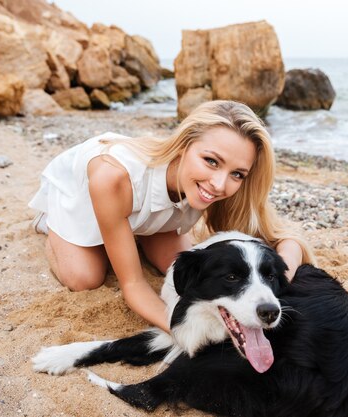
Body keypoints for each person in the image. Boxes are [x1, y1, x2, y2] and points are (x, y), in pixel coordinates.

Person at [29, 100, 314, 333]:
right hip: (82, 197)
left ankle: (131, 231)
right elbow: (133, 284)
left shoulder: (220, 187)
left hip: (154, 212)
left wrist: (276, 285)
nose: (218, 184)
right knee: (85, 277)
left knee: (183, 271)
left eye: (237, 173)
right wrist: (182, 329)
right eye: (211, 161)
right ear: (183, 145)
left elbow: (287, 242)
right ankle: (50, 222)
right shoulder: (114, 177)